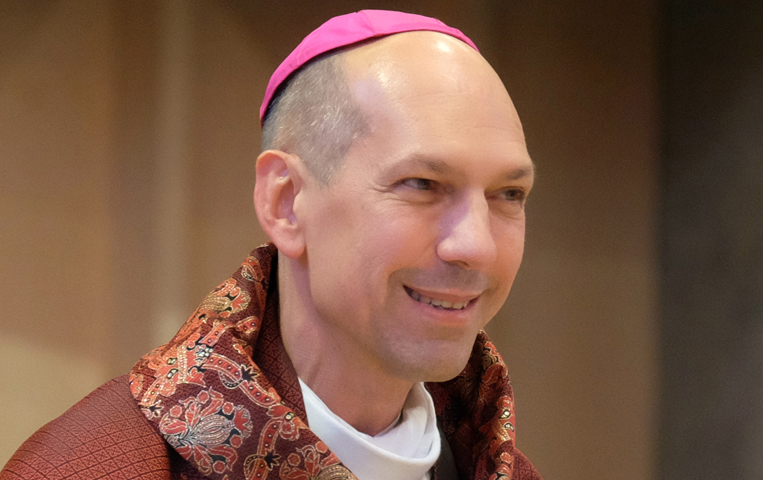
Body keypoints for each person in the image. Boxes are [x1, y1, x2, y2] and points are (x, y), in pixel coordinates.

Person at [1, 10, 541, 480]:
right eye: (422, 184)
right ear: (286, 202)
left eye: (509, 194)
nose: (477, 246)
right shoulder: (91, 465)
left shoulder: (499, 466)